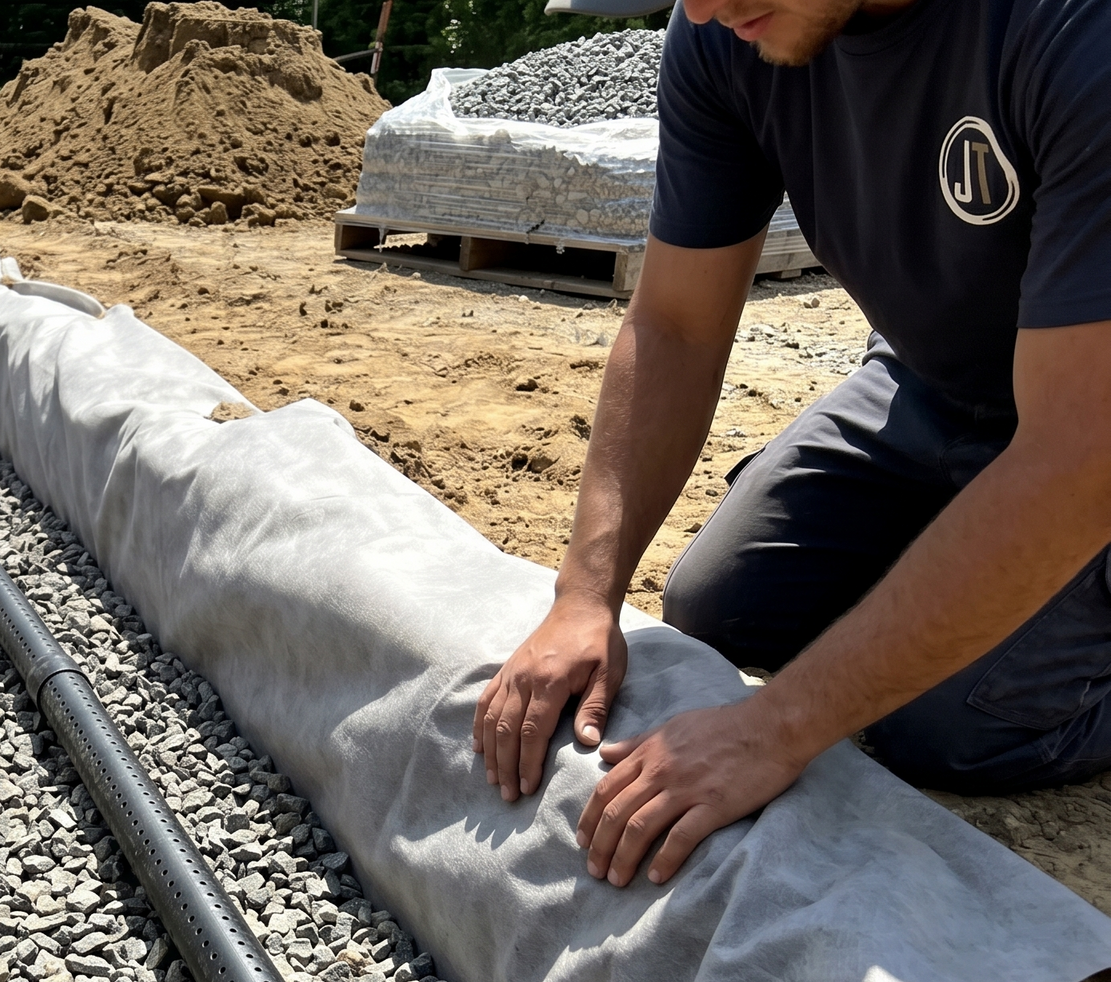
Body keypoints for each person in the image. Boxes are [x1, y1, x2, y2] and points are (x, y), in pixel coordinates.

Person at [473, 0, 1111, 886]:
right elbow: (676, 328)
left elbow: (1078, 453)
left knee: (950, 726)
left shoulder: (1072, 32)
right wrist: (586, 594)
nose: (703, 6)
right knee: (721, 608)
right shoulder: (723, 34)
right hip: (928, 386)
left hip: (1089, 420)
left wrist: (776, 726)